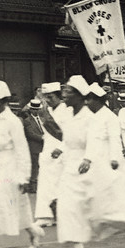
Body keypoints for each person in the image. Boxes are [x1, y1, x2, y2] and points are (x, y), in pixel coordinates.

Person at [52, 76, 125, 248]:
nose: (64, 95)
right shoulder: (68, 116)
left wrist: (89, 158)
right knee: (68, 207)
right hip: (71, 166)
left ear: (79, 96)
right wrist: (60, 149)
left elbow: (95, 141)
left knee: (103, 207)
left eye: (68, 92)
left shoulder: (90, 118)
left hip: (90, 165)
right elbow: (68, 140)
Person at [0, 80, 45, 248]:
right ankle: (33, 232)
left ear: (1, 99)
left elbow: (21, 150)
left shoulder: (13, 121)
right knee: (17, 206)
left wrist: (24, 176)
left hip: (8, 167)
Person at [34, 82, 72, 227]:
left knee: (61, 186)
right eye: (46, 97)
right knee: (44, 185)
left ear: (58, 97)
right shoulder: (46, 111)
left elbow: (69, 134)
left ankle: (61, 215)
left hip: (62, 153)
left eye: (50, 97)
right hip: (47, 152)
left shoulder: (66, 111)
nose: (48, 100)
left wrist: (61, 148)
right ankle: (45, 216)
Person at [22, 99, 45, 193]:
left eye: (37, 109)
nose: (36, 111)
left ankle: (39, 185)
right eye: (34, 109)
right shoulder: (27, 121)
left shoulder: (42, 119)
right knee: (34, 166)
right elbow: (30, 134)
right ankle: (33, 186)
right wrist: (43, 138)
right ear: (30, 110)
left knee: (41, 166)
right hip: (34, 147)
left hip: (42, 147)